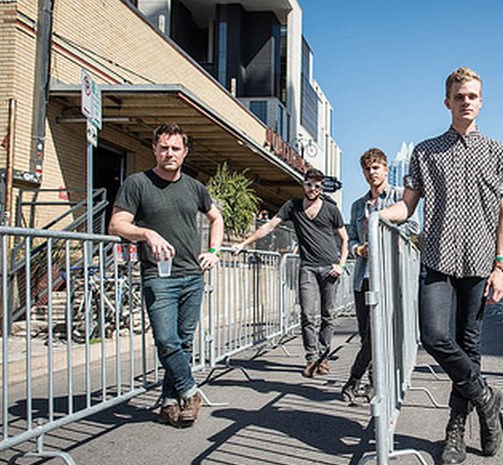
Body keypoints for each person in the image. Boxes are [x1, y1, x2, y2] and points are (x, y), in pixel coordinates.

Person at [379, 67, 503, 465]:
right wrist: (378, 218)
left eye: (472, 96)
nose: (465, 102)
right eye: (459, 96)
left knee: (469, 344)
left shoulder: (498, 152)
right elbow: (407, 207)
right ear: (447, 102)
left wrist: (501, 265)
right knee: (434, 336)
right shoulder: (425, 151)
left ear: (481, 102)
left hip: (480, 261)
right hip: (437, 258)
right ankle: (486, 398)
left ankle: (456, 428)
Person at [109, 123, 224, 427]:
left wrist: (213, 252)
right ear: (154, 150)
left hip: (193, 275)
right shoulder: (137, 183)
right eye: (164, 148)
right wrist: (146, 233)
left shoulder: (195, 187)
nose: (169, 153)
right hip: (158, 276)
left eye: (175, 148)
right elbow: (117, 224)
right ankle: (190, 392)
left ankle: (170, 403)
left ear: (184, 153)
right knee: (165, 339)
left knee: (183, 342)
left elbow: (216, 218)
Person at [234, 167, 349, 377]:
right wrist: (244, 243)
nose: (312, 189)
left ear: (322, 188)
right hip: (308, 267)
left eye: (317, 186)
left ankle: (323, 357)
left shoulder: (331, 210)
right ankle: (312, 358)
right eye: (309, 185)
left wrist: (341, 264)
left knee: (328, 315)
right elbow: (269, 226)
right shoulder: (292, 206)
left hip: (330, 268)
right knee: (307, 314)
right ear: (303, 184)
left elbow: (344, 239)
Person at [341, 148, 420, 403]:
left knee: (377, 333)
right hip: (363, 277)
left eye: (376, 167)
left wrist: (386, 238)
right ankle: (372, 382)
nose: (371, 172)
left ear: (386, 169)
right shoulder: (357, 205)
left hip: (389, 275)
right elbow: (352, 238)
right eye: (367, 168)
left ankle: (355, 380)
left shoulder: (399, 196)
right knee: (367, 334)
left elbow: (413, 226)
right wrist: (359, 249)